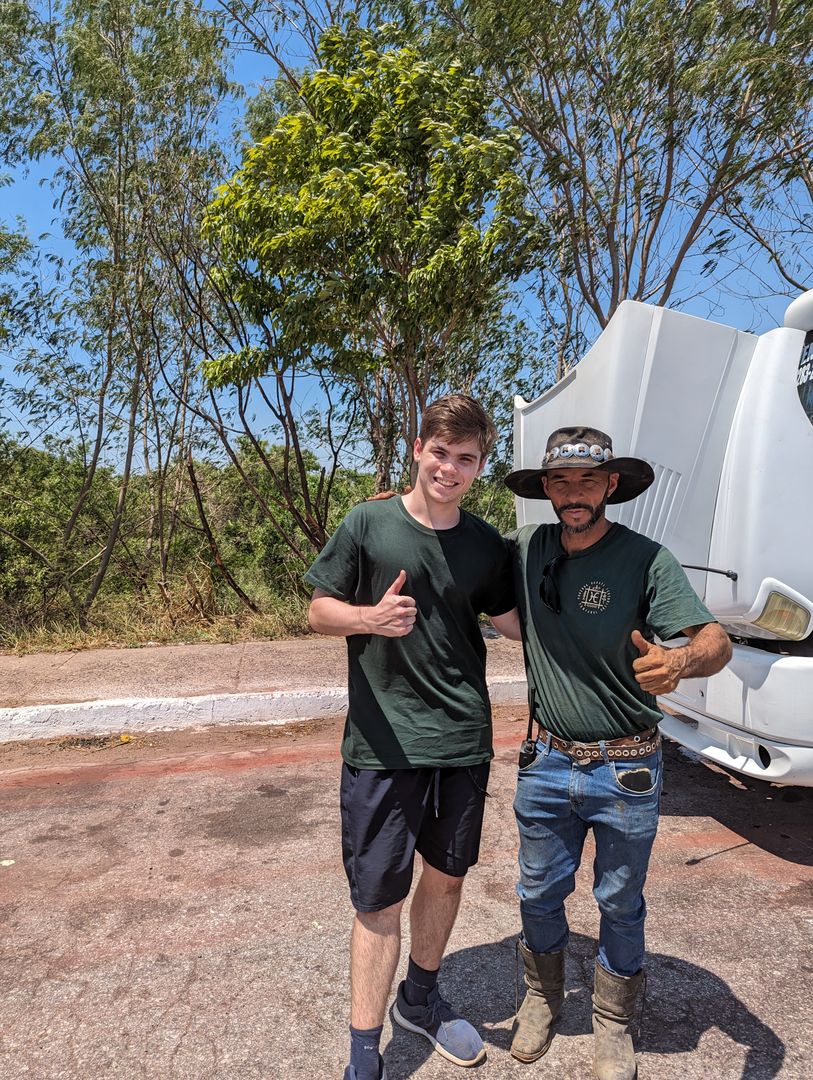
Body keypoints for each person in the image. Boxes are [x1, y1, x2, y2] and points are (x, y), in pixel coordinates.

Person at [500, 425, 732, 1080]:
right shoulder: (524, 548)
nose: (573, 493)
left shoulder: (644, 559)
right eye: (560, 480)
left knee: (620, 901)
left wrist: (681, 660)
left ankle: (611, 1025)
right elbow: (452, 549)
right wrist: (393, 514)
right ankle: (542, 998)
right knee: (538, 893)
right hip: (543, 762)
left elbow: (715, 639)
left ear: (609, 485)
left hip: (626, 766)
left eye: (586, 480)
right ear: (545, 488)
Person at [304, 394, 519, 1080]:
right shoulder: (368, 524)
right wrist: (367, 617)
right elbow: (317, 610)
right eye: (439, 452)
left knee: (447, 880)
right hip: (383, 746)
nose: (449, 469)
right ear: (417, 449)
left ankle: (419, 1003)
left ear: (479, 465)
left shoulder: (486, 544)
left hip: (461, 741)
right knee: (377, 903)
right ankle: (363, 1057)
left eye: (465, 459)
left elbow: (516, 624)